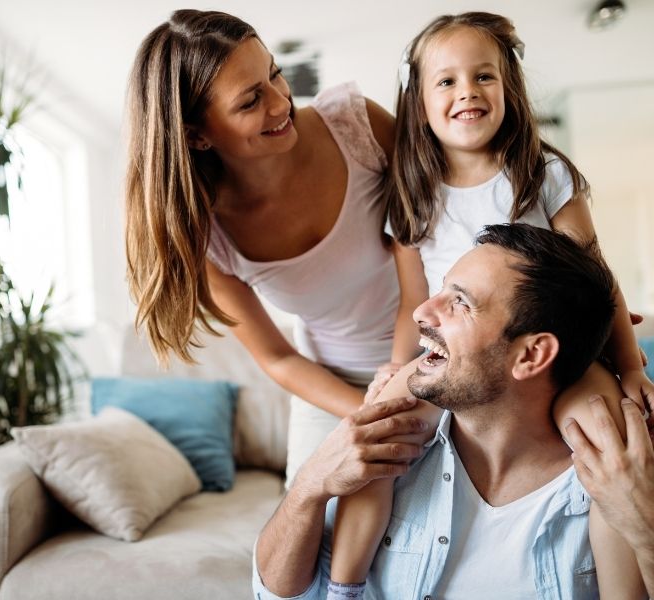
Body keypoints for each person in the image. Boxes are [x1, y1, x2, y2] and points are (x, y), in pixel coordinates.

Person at [328, 12, 654, 596]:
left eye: (483, 77)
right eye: (446, 81)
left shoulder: (542, 173)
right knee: (377, 432)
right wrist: (396, 367)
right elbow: (412, 305)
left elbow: (598, 279)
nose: (467, 93)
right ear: (419, 101)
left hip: (557, 358)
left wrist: (629, 368)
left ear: (508, 88)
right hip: (452, 356)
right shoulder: (412, 194)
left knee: (607, 439)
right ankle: (344, 585)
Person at [254, 223, 652, 599]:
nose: (420, 313)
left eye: (460, 303)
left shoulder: (622, 486)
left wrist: (645, 527)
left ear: (532, 354)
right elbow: (280, 596)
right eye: (442, 289)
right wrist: (309, 488)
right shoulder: (391, 446)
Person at [125, 9, 404, 485]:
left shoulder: (358, 126)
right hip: (332, 385)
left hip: (433, 353)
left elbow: (451, 222)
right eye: (251, 100)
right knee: (310, 525)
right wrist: (369, 413)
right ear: (196, 135)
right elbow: (278, 357)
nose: (282, 104)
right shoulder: (209, 240)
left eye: (275, 74)